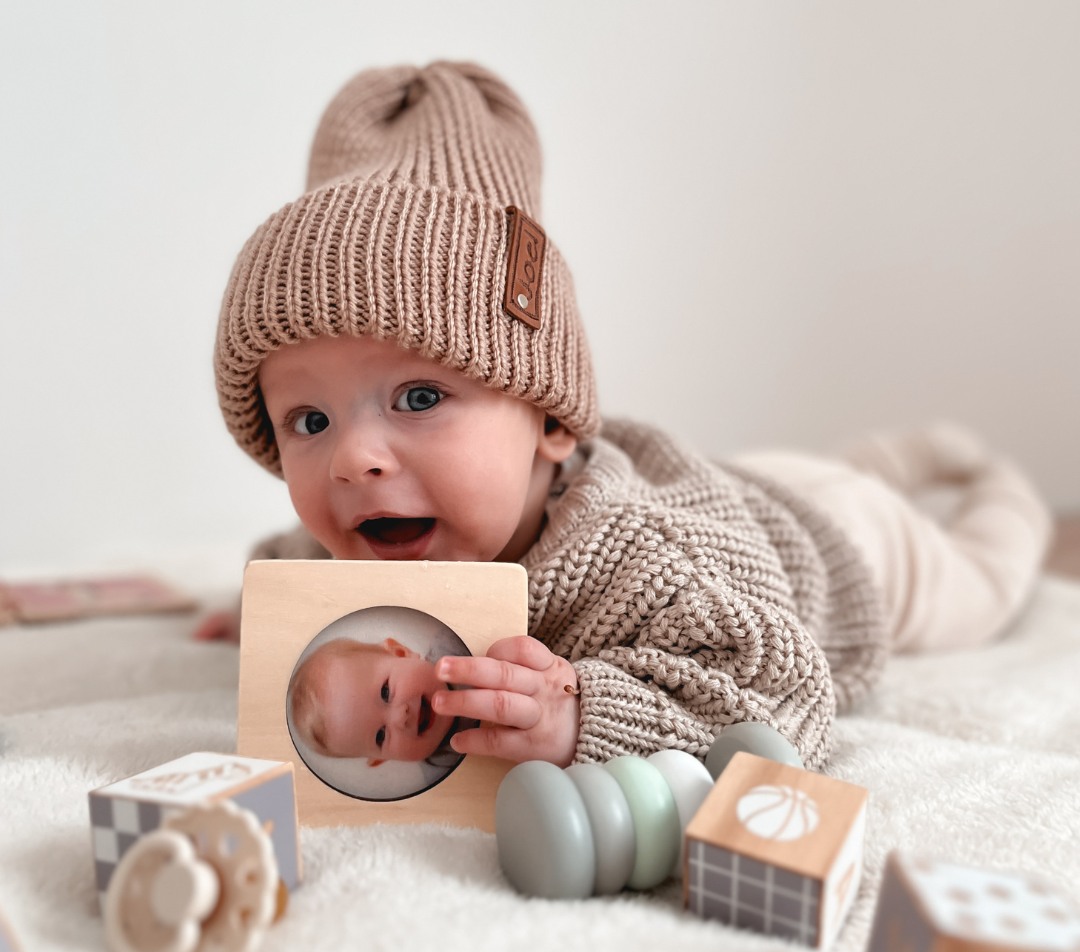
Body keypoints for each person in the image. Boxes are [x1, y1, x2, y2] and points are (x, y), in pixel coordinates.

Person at [200, 60, 1051, 773]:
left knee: (980, 577)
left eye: (420, 398)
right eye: (308, 422)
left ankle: (992, 481)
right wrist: (263, 600)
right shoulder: (380, 527)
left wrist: (582, 721)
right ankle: (887, 457)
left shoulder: (637, 560)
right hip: (730, 492)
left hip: (840, 546)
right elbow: (306, 552)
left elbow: (787, 697)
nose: (353, 460)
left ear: (550, 420)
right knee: (800, 473)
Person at [288, 636, 464, 766]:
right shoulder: (440, 779)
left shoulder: (456, 646)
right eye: (381, 736)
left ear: (400, 653)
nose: (399, 717)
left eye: (385, 692)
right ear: (380, 759)